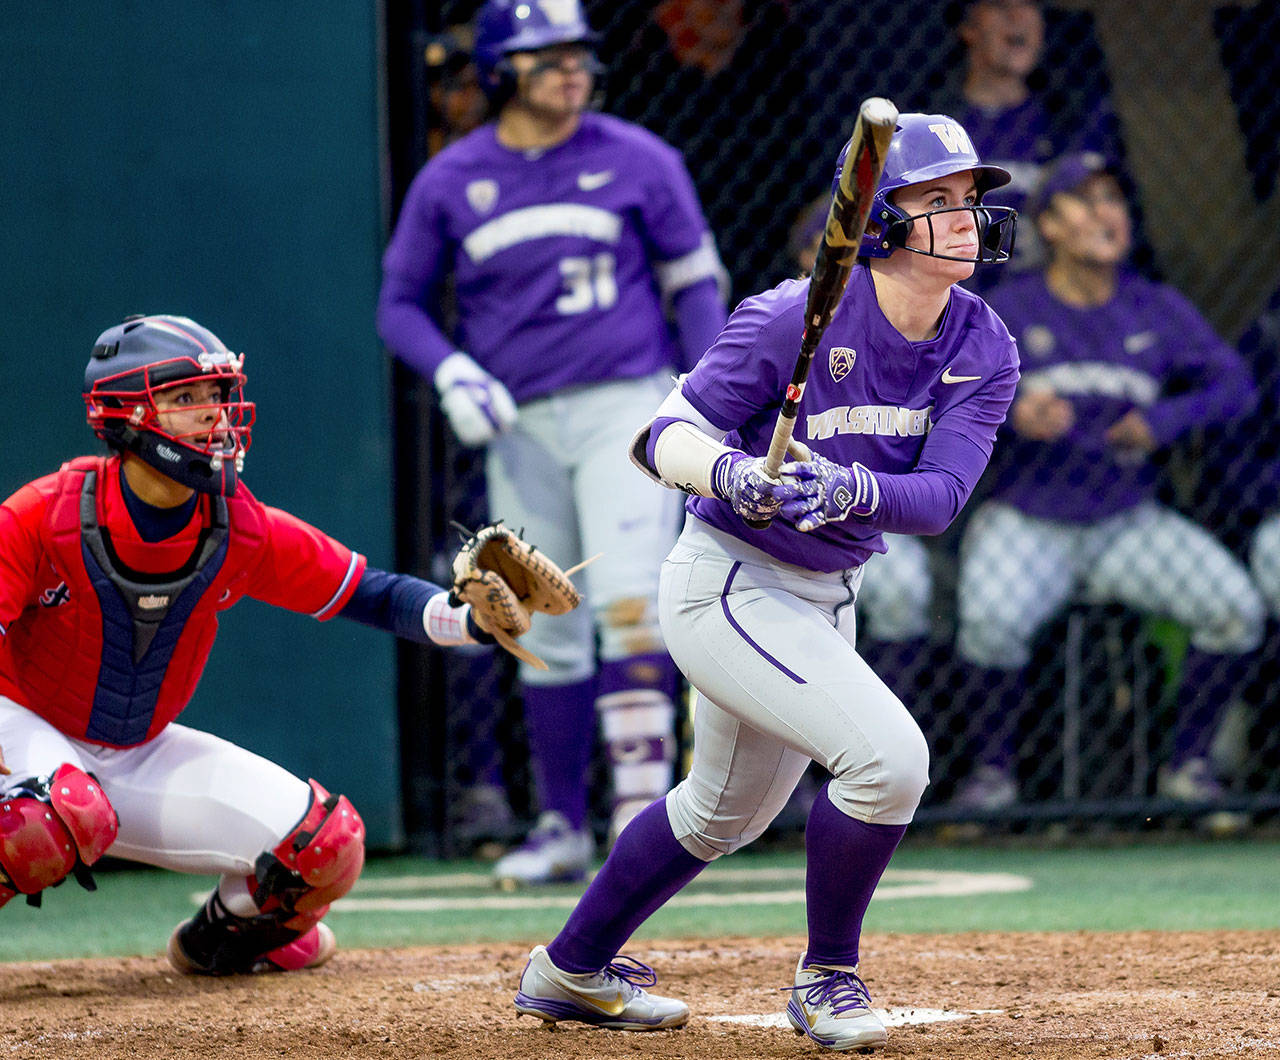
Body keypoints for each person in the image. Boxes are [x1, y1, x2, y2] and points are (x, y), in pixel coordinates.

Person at [509, 113, 1019, 1051]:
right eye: (938, 200)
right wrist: (730, 473)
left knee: (719, 815)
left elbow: (942, 497)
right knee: (890, 762)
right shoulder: (792, 316)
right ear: (877, 220)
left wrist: (853, 487)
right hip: (729, 583)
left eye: (970, 200)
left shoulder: (983, 345)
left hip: (824, 596)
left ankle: (568, 970)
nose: (966, 217)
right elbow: (660, 437)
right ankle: (829, 976)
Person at [0, 314, 514, 972]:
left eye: (217, 395)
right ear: (127, 413)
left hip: (132, 752)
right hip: (24, 730)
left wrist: (469, 619)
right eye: (186, 397)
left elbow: (371, 593)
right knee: (51, 819)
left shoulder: (234, 525)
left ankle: (217, 942)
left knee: (326, 844)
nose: (213, 414)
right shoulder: (43, 514)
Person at [376, 0, 729, 885]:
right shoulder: (453, 176)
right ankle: (562, 824)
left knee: (629, 603)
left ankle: (642, 826)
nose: (572, 70)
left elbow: (696, 285)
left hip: (625, 407)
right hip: (520, 419)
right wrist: (454, 372)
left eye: (578, 53)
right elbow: (399, 305)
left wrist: (702, 394)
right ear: (502, 69)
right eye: (548, 56)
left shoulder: (640, 157)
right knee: (541, 616)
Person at [954, 152, 1264, 811]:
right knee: (989, 623)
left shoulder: (1156, 306)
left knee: (1236, 611)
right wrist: (1010, 412)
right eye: (1086, 200)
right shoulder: (1008, 309)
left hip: (1128, 517)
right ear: (1049, 225)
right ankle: (993, 774)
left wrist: (1163, 420)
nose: (1106, 214)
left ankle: (1188, 767)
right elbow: (938, 393)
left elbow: (1236, 385)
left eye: (1114, 200)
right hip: (1029, 514)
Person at [929, 0, 1123, 285]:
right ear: (968, 26)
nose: (1018, 15)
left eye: (1030, 4)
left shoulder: (1071, 124)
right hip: (956, 295)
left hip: (1051, 299)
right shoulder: (933, 129)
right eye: (1000, 5)